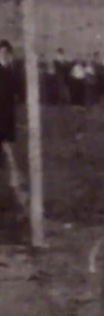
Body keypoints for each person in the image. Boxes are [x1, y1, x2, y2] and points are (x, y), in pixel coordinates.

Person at [0, 40, 28, 224]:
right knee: (9, 158)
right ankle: (19, 198)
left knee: (9, 158)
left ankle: (17, 199)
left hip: (7, 122)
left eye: (7, 53)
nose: (5, 56)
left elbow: (20, 93)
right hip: (1, 123)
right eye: (2, 53)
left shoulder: (12, 72)